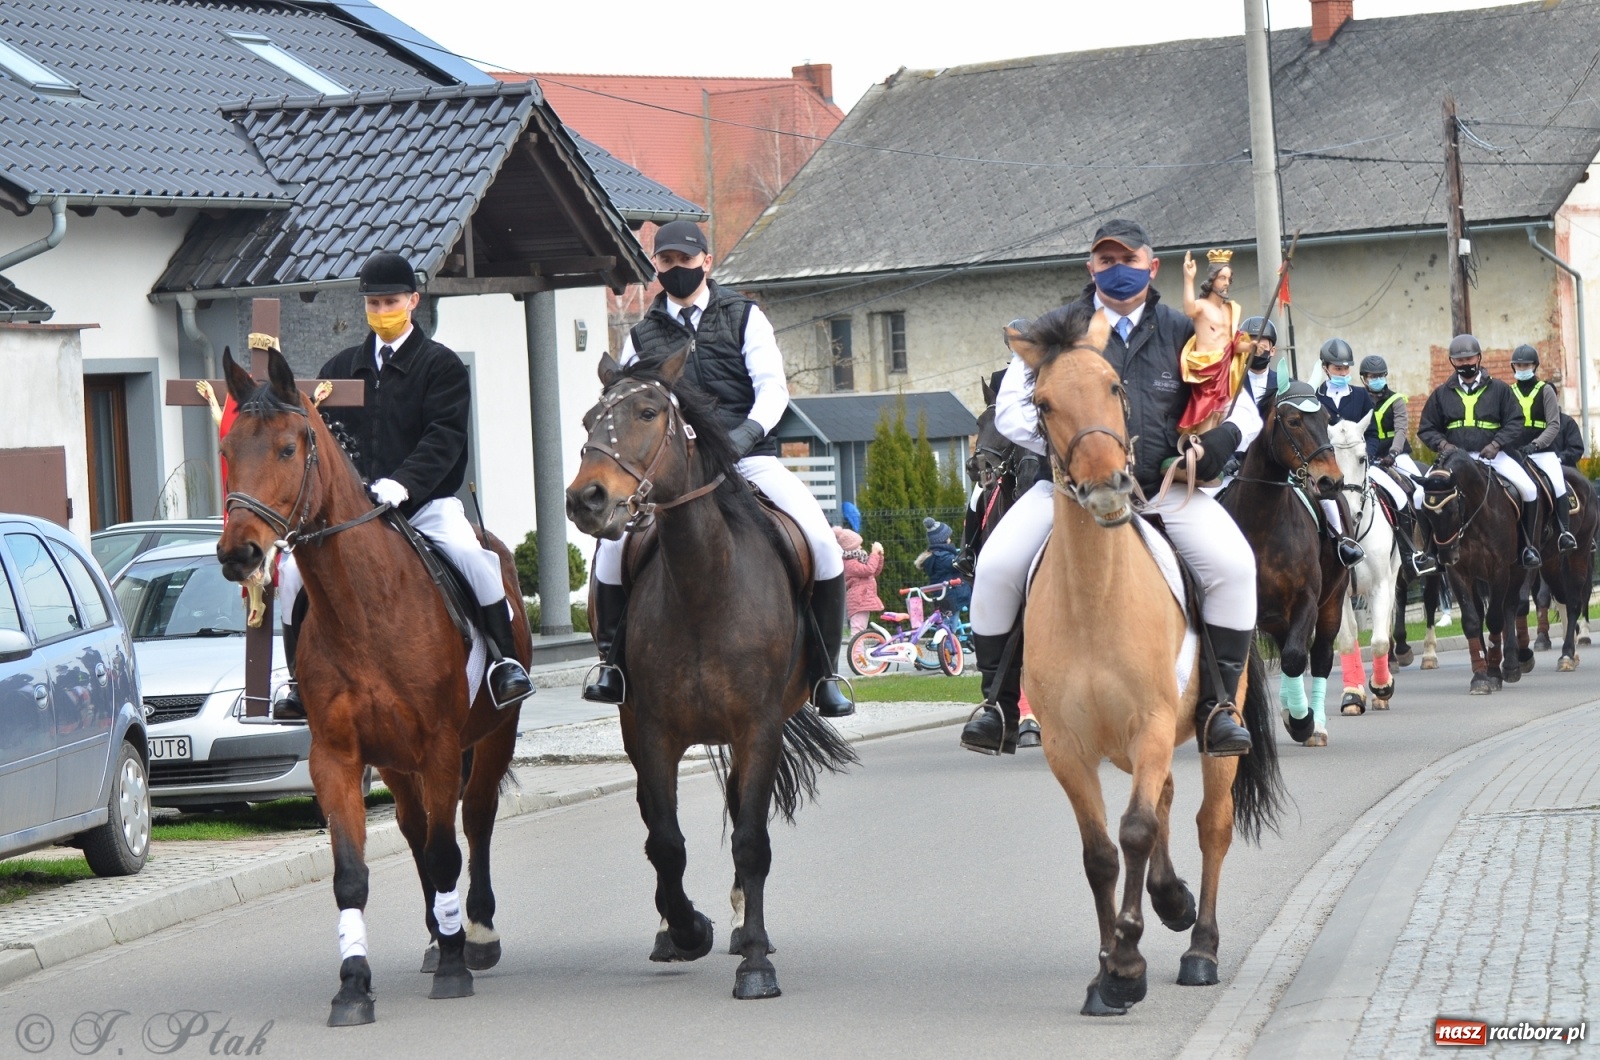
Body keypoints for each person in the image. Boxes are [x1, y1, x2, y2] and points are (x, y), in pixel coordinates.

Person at [961, 218, 1262, 757]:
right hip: (1068, 493)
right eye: (1106, 261)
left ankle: (1219, 705)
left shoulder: (1186, 327)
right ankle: (999, 704)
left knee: (1236, 567)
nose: (1117, 271)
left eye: (1128, 260)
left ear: (1153, 265)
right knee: (997, 566)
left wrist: (1222, 443)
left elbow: (1241, 405)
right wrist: (1078, 451)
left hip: (1163, 488)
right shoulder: (1054, 330)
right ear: (1090, 268)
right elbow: (1007, 410)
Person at [582, 220, 853, 716]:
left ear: (706, 262)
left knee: (821, 543)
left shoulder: (744, 316)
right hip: (672, 471)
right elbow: (623, 402)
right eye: (666, 262)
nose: (677, 269)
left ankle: (824, 674)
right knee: (609, 553)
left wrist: (743, 437)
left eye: (686, 261)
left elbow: (773, 388)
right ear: (657, 266)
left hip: (747, 458)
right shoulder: (642, 334)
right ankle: (612, 665)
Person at [273, 251, 534, 718]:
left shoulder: (441, 366)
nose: (380, 313)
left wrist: (404, 484)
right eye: (372, 305)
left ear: (413, 300)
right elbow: (327, 443)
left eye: (390, 302)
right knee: (292, 575)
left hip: (425, 505)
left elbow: (444, 439)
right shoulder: (339, 368)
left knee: (476, 559)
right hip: (354, 515)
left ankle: (504, 663)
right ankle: (297, 683)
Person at [1416, 334, 1541, 568]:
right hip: (1453, 459)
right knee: (1417, 496)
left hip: (1492, 455)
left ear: (1479, 357)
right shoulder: (1441, 394)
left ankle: (1527, 547)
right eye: (1459, 360)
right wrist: (1443, 446)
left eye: (1470, 358)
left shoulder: (1500, 390)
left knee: (1529, 488)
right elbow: (1427, 428)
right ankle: (1430, 551)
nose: (1465, 363)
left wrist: (1496, 444)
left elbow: (1515, 422)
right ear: (1453, 362)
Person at [1358, 355, 1437, 578]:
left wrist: (1393, 452)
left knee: (1421, 492)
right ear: (1364, 378)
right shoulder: (1360, 401)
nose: (1377, 380)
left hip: (1396, 456)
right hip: (1370, 458)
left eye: (1381, 376)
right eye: (1372, 377)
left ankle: (1422, 547)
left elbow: (1401, 429)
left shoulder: (1396, 400)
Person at [1508, 344, 1577, 553]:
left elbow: (1554, 425)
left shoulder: (1546, 390)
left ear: (1534, 366)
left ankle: (1565, 532)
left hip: (1541, 452)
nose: (1522, 368)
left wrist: (1536, 444)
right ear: (1513, 367)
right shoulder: (1507, 392)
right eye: (1518, 365)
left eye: (1526, 364)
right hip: (1515, 453)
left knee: (1557, 483)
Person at [1313, 339, 1368, 568]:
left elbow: (1371, 433)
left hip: (1358, 463)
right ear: (1325, 368)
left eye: (1346, 368)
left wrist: (1366, 454)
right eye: (1338, 369)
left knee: (1398, 494)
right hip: (1329, 467)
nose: (1343, 372)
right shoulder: (1316, 398)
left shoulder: (1361, 396)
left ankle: (1407, 552)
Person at [1179, 248, 1247, 433]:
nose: (1226, 283)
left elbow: (1232, 345)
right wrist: (1188, 278)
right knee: (1206, 413)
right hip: (1207, 370)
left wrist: (1251, 347)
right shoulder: (1202, 306)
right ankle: (1202, 450)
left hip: (1223, 370)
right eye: (1221, 278)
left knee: (1219, 414)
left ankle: (1213, 453)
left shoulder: (1230, 310)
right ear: (1212, 279)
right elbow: (1188, 310)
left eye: (1228, 279)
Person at [914, 518, 971, 618]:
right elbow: (959, 564)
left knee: (948, 626)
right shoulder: (942, 557)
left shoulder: (936, 556)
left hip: (947, 597)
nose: (950, 539)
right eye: (948, 537)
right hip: (951, 598)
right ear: (943, 540)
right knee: (948, 627)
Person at [837, 527, 884, 636]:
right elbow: (868, 570)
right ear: (851, 547)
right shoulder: (849, 563)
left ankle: (858, 651)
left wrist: (879, 556)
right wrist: (874, 554)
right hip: (859, 600)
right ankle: (856, 653)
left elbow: (874, 571)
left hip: (863, 599)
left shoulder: (858, 559)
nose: (861, 547)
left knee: (861, 628)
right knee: (858, 629)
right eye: (858, 545)